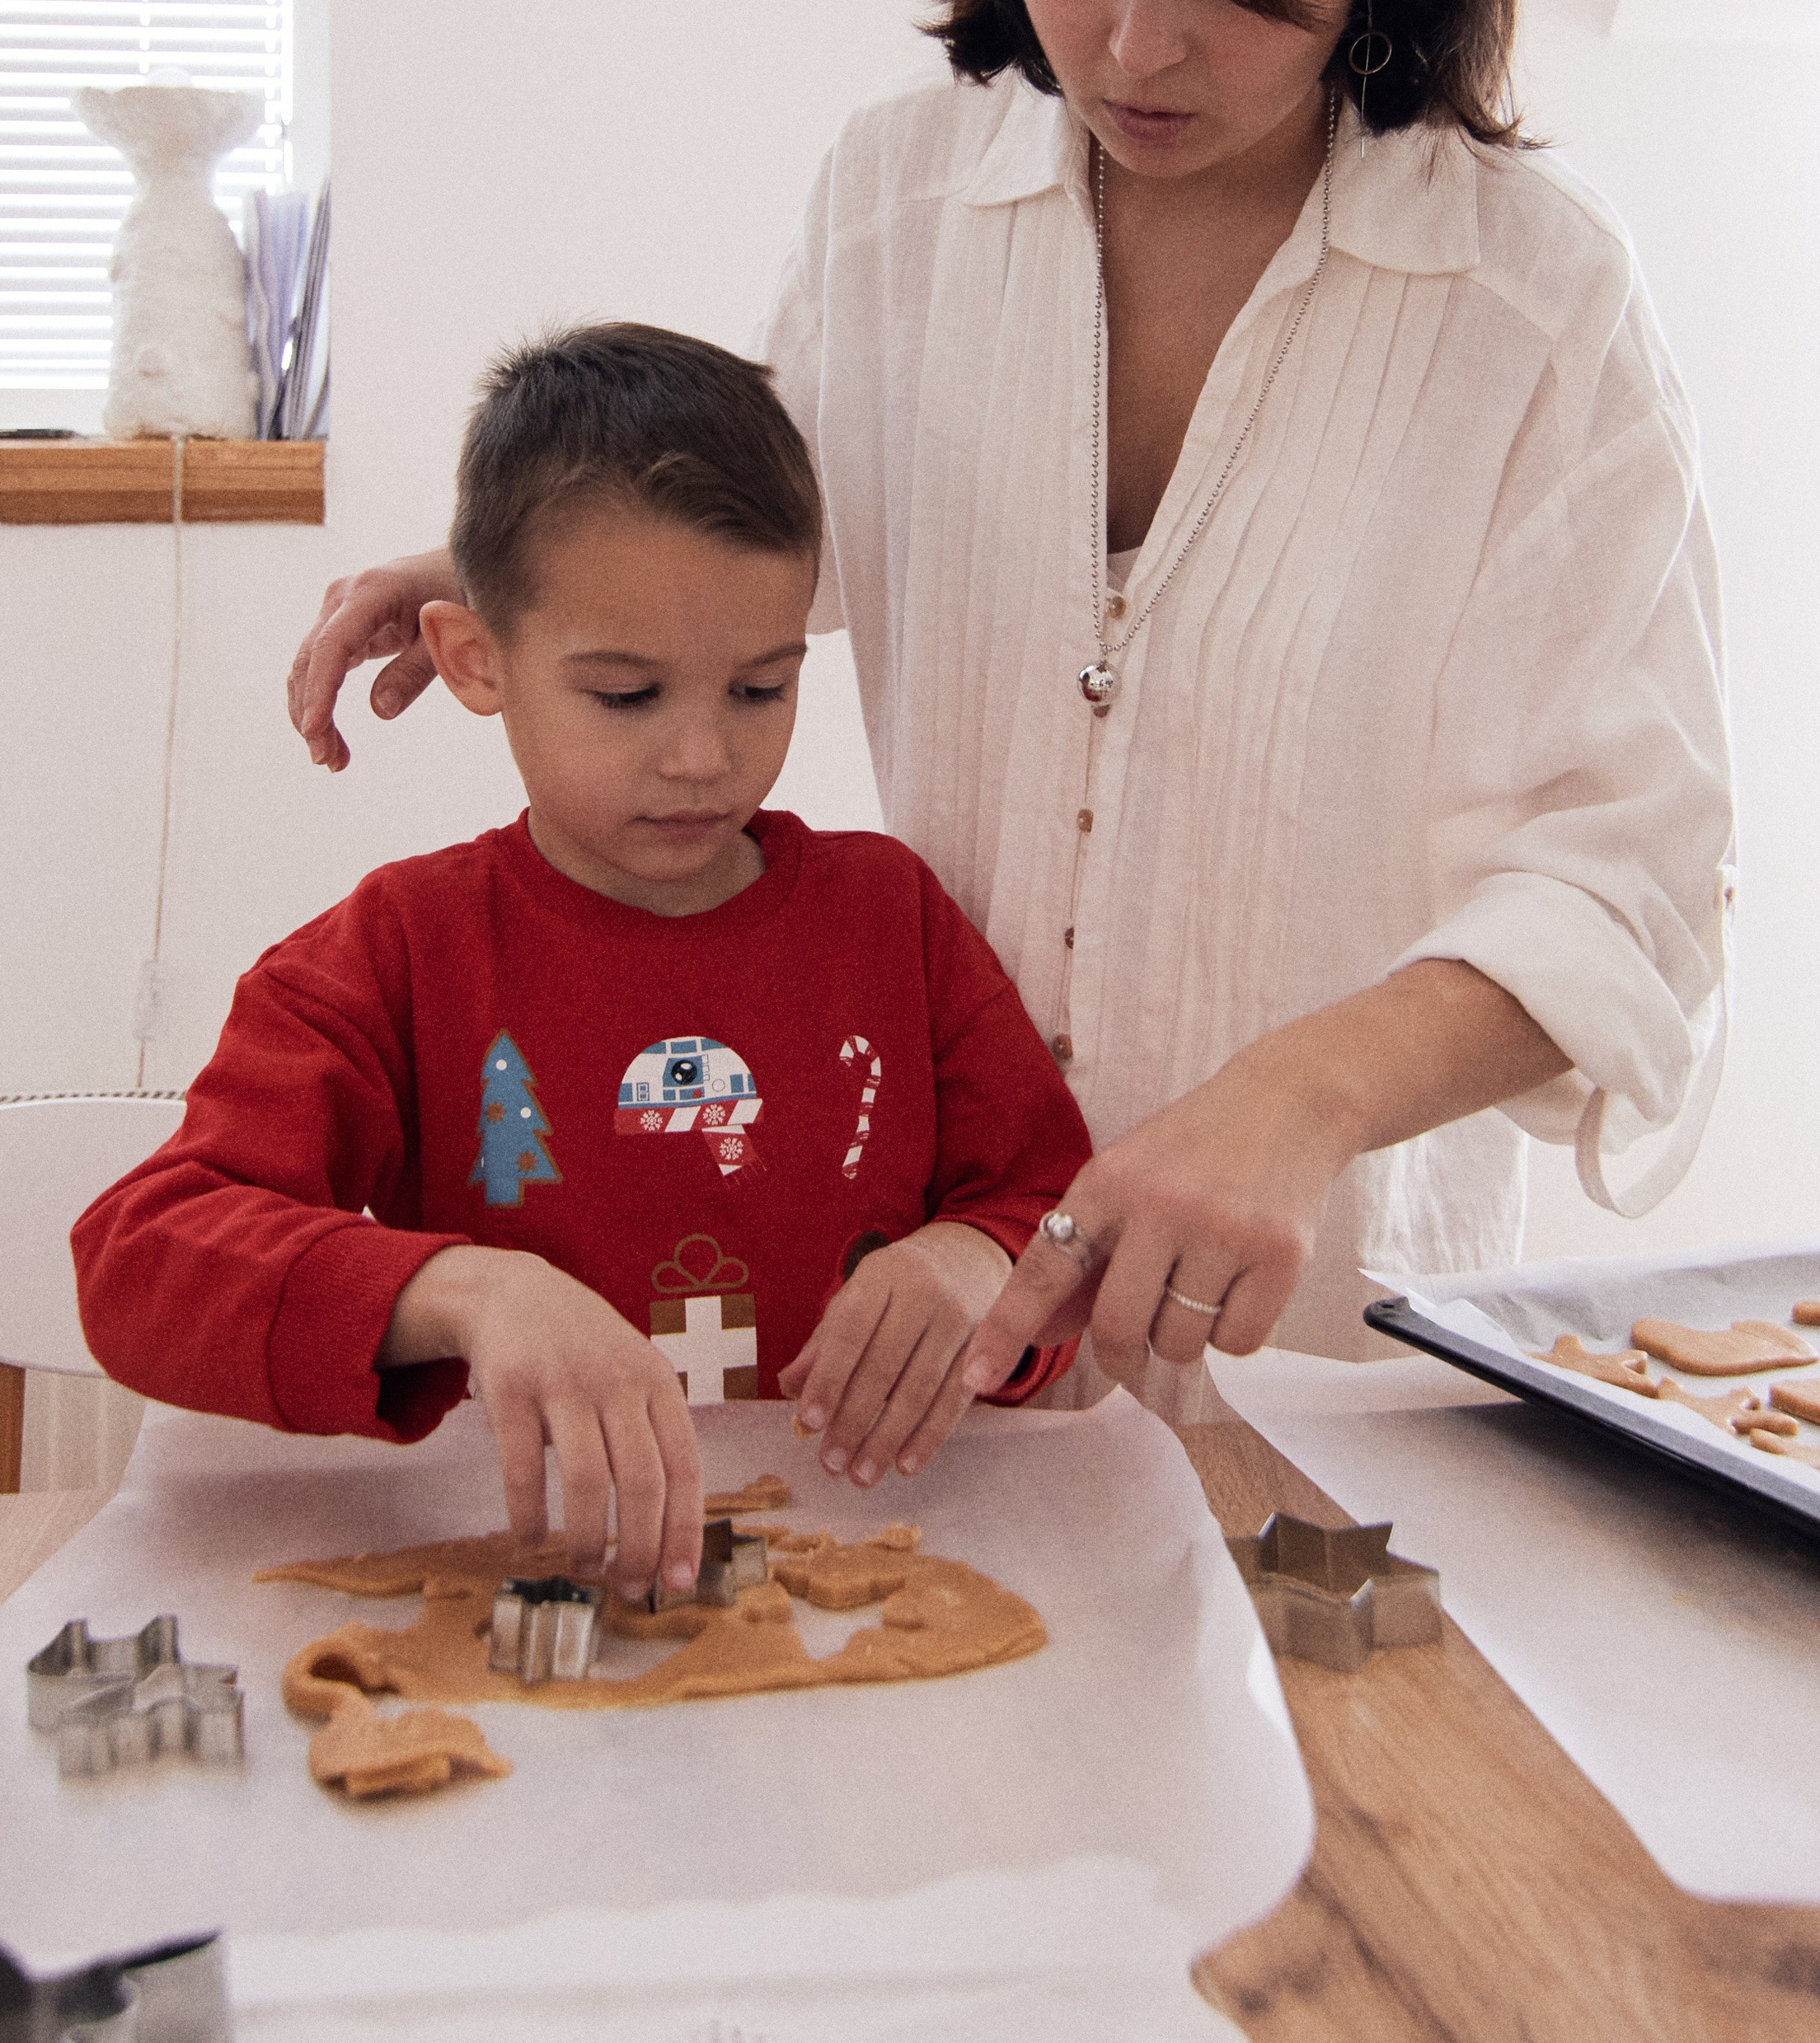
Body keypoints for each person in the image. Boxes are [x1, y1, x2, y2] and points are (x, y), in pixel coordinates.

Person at [288, 0, 1733, 1446]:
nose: (1137, 40)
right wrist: (495, 575)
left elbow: (1626, 885)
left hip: (1330, 1353)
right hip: (937, 1311)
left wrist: (1292, 1094)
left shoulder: (1526, 308)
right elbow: (774, 541)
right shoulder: (899, 200)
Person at [76, 326, 1091, 1600]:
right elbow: (141, 1258)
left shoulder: (890, 916)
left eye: (760, 691)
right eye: (628, 697)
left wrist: (978, 1262)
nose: (703, 759)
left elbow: (1061, 1215)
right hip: (541, 1592)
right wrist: (461, 1291)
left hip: (863, 1578)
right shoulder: (399, 950)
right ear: (474, 662)